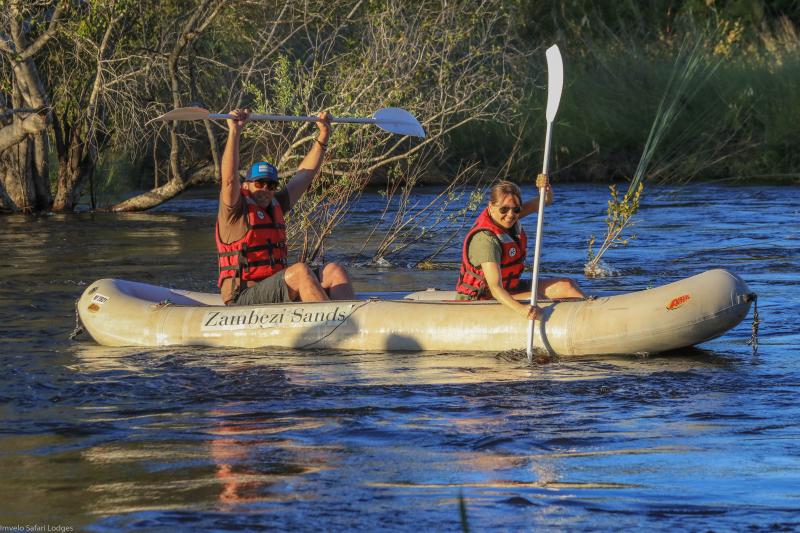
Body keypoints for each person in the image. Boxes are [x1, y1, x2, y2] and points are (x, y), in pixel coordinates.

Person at [216, 108, 355, 306]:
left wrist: (324, 134)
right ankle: (332, 326)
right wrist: (235, 131)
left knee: (335, 270)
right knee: (300, 271)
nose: (266, 189)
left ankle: (351, 322)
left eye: (271, 185)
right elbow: (229, 181)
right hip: (243, 295)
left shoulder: (275, 204)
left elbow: (305, 175)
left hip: (275, 288)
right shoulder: (234, 210)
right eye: (259, 183)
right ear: (245, 185)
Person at [455, 176, 585, 318]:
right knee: (536, 297)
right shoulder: (485, 240)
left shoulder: (507, 218)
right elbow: (495, 288)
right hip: (482, 298)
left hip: (511, 288)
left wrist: (545, 189)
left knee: (568, 285)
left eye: (516, 209)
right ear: (491, 207)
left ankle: (588, 314)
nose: (510, 215)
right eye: (504, 209)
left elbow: (544, 202)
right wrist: (522, 310)